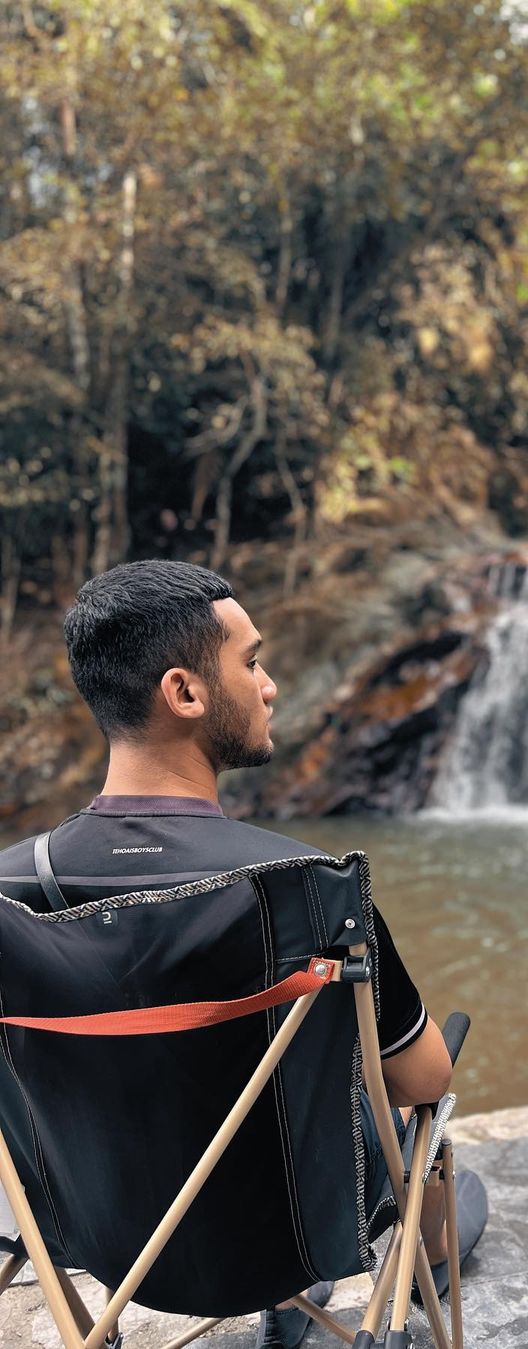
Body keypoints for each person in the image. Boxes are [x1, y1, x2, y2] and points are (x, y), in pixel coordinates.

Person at [0, 560, 481, 1349]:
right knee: (423, 1130)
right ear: (185, 692)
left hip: (101, 1236)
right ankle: (392, 1267)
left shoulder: (9, 890)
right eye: (252, 660)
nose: (271, 684)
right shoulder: (304, 888)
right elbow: (424, 1076)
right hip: (296, 1223)